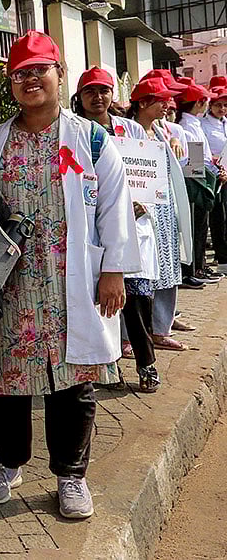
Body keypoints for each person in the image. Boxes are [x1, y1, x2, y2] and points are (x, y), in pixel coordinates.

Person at [0, 32, 138, 520]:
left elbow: (115, 206)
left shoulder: (90, 139)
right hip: (12, 282)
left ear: (58, 74)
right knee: (4, 378)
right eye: (19, 74)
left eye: (38, 70)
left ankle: (71, 474)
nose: (29, 81)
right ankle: (9, 463)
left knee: (73, 379)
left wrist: (114, 268)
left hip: (72, 278)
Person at [73, 68, 169, 389]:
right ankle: (105, 367)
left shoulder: (130, 130)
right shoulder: (76, 132)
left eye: (104, 91)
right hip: (91, 227)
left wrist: (144, 204)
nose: (97, 97)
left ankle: (147, 364)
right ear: (80, 96)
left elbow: (150, 173)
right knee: (99, 304)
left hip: (135, 225)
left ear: (113, 94)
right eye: (90, 91)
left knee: (137, 304)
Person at [126, 78, 192, 361]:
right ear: (143, 103)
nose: (168, 105)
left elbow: (183, 164)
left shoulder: (164, 133)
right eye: (161, 100)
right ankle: (133, 335)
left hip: (165, 211)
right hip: (141, 212)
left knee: (167, 268)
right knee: (138, 276)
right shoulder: (128, 132)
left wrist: (176, 141)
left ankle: (161, 328)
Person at [176, 84, 225, 284]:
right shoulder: (189, 127)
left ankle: (199, 265)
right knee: (196, 228)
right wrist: (209, 177)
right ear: (199, 103)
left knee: (201, 227)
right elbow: (195, 161)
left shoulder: (194, 124)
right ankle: (193, 268)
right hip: (195, 182)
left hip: (201, 177)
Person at [202, 87, 227, 272]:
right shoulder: (203, 125)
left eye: (225, 105)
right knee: (219, 216)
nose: (222, 108)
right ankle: (222, 254)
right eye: (218, 105)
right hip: (216, 173)